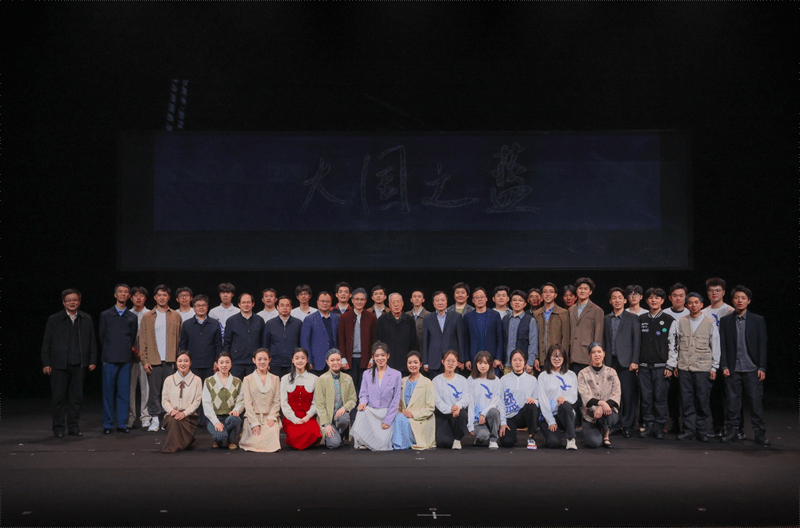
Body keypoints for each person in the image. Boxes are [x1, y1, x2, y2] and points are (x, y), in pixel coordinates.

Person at [41, 288, 97, 437]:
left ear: (79, 301)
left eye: (75, 300)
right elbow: (46, 342)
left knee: (76, 399)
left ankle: (73, 427)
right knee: (58, 398)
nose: (72, 303)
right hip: (59, 366)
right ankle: (59, 428)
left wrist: (92, 360)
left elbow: (92, 341)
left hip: (79, 365)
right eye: (69, 300)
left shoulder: (86, 318)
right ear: (64, 302)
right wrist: (46, 363)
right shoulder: (54, 319)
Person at [720, 286, 769, 446]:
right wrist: (724, 365)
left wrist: (761, 367)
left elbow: (762, 345)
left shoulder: (757, 320)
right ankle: (733, 431)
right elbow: (723, 345)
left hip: (752, 368)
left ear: (748, 301)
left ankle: (759, 433)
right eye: (736, 298)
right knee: (732, 403)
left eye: (743, 298)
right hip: (732, 368)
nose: (739, 301)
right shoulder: (726, 321)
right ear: (732, 300)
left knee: (755, 402)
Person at [670, 293, 720, 442]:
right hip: (684, 367)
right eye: (690, 303)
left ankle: (702, 431)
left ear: (702, 305)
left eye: (696, 302)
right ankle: (689, 430)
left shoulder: (710, 322)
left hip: (703, 368)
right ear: (686, 305)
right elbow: (675, 345)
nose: (693, 305)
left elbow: (715, 346)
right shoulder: (680, 322)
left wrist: (714, 367)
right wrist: (675, 364)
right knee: (686, 401)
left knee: (702, 400)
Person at [139, 285, 182, 432]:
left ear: (169, 297)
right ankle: (155, 419)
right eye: (159, 295)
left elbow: (180, 339)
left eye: (164, 295)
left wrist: (179, 360)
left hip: (171, 360)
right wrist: (144, 361)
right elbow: (142, 340)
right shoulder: (147, 317)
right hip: (154, 360)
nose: (162, 298)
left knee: (169, 392)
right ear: (155, 297)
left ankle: (166, 419)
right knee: (154, 392)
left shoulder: (175, 315)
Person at [638, 287, 677, 439]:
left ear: (663, 300)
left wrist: (670, 365)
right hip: (643, 367)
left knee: (660, 398)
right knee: (646, 398)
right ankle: (648, 425)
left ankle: (660, 427)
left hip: (661, 367)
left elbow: (674, 345)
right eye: (650, 298)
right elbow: (637, 343)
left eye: (657, 298)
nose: (653, 300)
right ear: (646, 300)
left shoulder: (669, 320)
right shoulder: (641, 319)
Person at [99, 284, 139, 434]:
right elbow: (102, 336)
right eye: (120, 292)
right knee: (108, 393)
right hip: (109, 358)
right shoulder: (106, 315)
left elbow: (132, 337)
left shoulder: (132, 317)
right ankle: (108, 424)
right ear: (115, 295)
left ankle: (122, 424)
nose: (123, 294)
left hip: (125, 359)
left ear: (128, 296)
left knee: (123, 393)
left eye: (125, 292)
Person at [603, 287, 641, 438]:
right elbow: (604, 340)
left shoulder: (633, 318)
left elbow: (637, 341)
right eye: (614, 298)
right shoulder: (606, 319)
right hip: (610, 362)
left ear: (625, 300)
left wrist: (635, 360)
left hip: (627, 362)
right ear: (610, 301)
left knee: (628, 396)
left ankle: (628, 426)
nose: (617, 300)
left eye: (620, 297)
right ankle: (615, 424)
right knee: (612, 395)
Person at [178, 294, 222, 426]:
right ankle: (194, 419)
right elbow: (183, 345)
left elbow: (218, 344)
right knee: (193, 393)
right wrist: (185, 363)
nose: (201, 308)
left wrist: (217, 361)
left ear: (207, 307)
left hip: (210, 364)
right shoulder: (187, 324)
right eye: (198, 306)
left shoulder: (214, 323)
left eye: (203, 305)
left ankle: (209, 419)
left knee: (210, 393)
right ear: (193, 308)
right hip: (193, 364)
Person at [351, 342, 402, 451]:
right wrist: (362, 403)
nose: (380, 358)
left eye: (383, 355)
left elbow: (396, 399)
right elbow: (364, 394)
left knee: (382, 445)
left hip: (386, 412)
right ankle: (363, 442)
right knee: (361, 412)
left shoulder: (396, 374)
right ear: (373, 357)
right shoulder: (367, 374)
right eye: (377, 355)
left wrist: (388, 420)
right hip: (372, 412)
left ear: (388, 356)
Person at [578, 343, 621, 448]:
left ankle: (606, 435)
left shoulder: (611, 372)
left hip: (607, 413)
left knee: (607, 413)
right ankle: (595, 432)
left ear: (604, 354)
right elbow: (585, 396)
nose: (596, 355)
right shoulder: (583, 373)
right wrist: (601, 403)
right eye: (593, 352)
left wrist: (603, 406)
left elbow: (616, 394)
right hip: (590, 415)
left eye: (599, 352)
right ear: (590, 355)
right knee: (594, 443)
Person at [240, 348, 282, 453]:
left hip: (269, 417)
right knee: (255, 437)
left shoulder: (275, 379)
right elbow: (247, 403)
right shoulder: (247, 379)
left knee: (271, 434)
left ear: (269, 360)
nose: (262, 362)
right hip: (253, 416)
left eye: (265, 359)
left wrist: (272, 417)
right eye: (259, 359)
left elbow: (277, 401)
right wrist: (254, 423)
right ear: (254, 360)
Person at [537, 344, 578, 450]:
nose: (557, 359)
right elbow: (543, 401)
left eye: (560, 356)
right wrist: (550, 420)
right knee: (553, 443)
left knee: (565, 405)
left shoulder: (571, 375)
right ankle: (551, 436)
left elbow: (574, 396)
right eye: (554, 356)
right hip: (548, 415)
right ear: (549, 358)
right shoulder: (543, 376)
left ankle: (571, 439)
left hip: (564, 414)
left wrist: (565, 398)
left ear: (564, 358)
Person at [392, 352, 436, 450]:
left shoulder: (427, 382)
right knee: (396, 417)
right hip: (403, 417)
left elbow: (430, 408)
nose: (412, 365)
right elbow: (399, 404)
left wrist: (413, 414)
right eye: (410, 362)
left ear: (421, 364)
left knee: (401, 419)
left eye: (415, 362)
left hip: (420, 420)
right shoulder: (403, 381)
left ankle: (403, 444)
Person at [280, 347, 322, 450]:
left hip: (308, 417)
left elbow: (316, 402)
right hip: (291, 418)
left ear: (307, 360)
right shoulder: (285, 379)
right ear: (292, 360)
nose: (300, 361)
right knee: (294, 436)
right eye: (297, 358)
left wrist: (307, 417)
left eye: (303, 358)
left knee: (314, 432)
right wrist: (295, 419)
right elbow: (284, 403)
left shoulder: (315, 379)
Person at [315, 349, 358, 449]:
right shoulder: (321, 379)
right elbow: (319, 405)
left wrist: (344, 408)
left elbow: (353, 399)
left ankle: (340, 433)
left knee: (344, 418)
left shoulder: (348, 378)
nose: (335, 363)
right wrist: (326, 424)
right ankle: (333, 435)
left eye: (338, 360)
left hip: (340, 417)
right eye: (332, 360)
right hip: (327, 419)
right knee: (334, 444)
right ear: (327, 362)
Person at [161, 351, 203, 453]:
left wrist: (184, 413)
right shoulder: (169, 380)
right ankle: (180, 444)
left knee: (178, 421)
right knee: (174, 421)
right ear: (176, 363)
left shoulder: (197, 380)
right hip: (172, 415)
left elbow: (197, 402)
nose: (182, 364)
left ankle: (176, 445)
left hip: (189, 416)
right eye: (180, 361)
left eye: (186, 361)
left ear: (190, 363)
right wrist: (172, 411)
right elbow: (164, 400)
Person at [202, 351, 244, 449]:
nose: (224, 365)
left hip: (230, 417)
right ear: (216, 364)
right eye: (221, 362)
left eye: (227, 362)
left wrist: (236, 410)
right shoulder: (209, 381)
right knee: (220, 436)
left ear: (231, 364)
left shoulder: (237, 381)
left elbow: (241, 400)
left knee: (236, 419)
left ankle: (230, 441)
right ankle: (218, 440)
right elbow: (206, 403)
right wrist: (216, 422)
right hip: (215, 417)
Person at [498, 349, 539, 449]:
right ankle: (511, 436)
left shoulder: (532, 380)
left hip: (524, 415)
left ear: (525, 362)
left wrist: (534, 401)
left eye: (520, 360)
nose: (517, 362)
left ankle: (531, 436)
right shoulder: (503, 380)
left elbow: (538, 400)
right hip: (509, 416)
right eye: (514, 360)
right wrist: (503, 422)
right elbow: (500, 402)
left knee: (531, 406)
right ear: (510, 362)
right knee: (507, 442)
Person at [337, 288, 376, 392]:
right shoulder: (345, 317)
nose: (359, 302)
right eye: (357, 299)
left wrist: (372, 358)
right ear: (352, 300)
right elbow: (341, 339)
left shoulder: (371, 317)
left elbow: (375, 339)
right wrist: (343, 358)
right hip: (349, 360)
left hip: (366, 359)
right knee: (350, 388)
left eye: (362, 299)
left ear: (366, 301)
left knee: (365, 388)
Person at [432, 350, 471, 449]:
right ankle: (450, 437)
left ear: (457, 363)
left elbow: (466, 398)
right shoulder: (436, 380)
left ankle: (457, 439)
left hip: (458, 413)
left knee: (463, 414)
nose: (450, 363)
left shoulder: (462, 380)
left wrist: (457, 406)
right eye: (448, 361)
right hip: (443, 414)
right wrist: (450, 409)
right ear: (443, 362)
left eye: (453, 361)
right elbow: (437, 401)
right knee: (444, 442)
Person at [467, 351, 505, 449]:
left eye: (485, 363)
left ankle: (493, 439)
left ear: (490, 364)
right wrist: (470, 424)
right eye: (480, 363)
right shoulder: (470, 380)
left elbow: (495, 401)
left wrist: (483, 414)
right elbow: (470, 403)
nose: (483, 366)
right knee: (483, 435)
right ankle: (481, 438)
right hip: (477, 420)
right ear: (476, 364)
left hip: (490, 417)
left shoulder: (496, 380)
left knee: (494, 411)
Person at [422, 291, 464, 377]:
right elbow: (425, 341)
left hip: (452, 359)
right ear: (433, 303)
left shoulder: (456, 317)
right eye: (437, 300)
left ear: (447, 301)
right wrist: (425, 362)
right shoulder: (427, 319)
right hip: (434, 360)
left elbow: (460, 339)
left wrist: (462, 360)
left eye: (442, 300)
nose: (440, 303)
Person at [223, 293, 265, 379]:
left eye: (248, 302)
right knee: (236, 386)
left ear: (253, 304)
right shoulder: (231, 321)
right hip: (236, 362)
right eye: (243, 302)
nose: (246, 305)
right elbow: (227, 342)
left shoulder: (259, 320)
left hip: (255, 362)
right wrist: (226, 360)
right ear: (239, 304)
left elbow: (263, 342)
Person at [568, 277, 604, 375]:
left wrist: (596, 355)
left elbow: (598, 335)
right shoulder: (571, 310)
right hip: (572, 354)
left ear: (590, 292)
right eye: (580, 288)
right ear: (576, 291)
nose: (582, 291)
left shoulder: (597, 310)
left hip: (587, 355)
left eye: (585, 289)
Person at [376, 293, 418, 375]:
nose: (396, 304)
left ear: (402, 303)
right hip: (387, 364)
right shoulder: (382, 320)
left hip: (405, 365)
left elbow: (414, 344)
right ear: (389, 305)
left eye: (398, 302)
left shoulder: (409, 321)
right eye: (393, 302)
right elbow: (378, 342)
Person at [463, 288, 504, 375]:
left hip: (492, 359)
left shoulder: (495, 315)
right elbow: (466, 340)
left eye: (482, 297)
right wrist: (467, 359)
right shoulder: (468, 317)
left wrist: (498, 358)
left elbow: (500, 338)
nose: (480, 299)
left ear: (486, 298)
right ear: (473, 300)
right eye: (477, 297)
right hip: (474, 358)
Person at [127, 286, 151, 429]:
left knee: (145, 387)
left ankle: (145, 416)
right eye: (135, 295)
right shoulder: (127, 314)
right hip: (130, 356)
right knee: (130, 388)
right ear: (131, 298)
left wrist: (143, 352)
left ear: (145, 298)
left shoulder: (150, 314)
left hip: (146, 356)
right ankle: (131, 416)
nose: (138, 298)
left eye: (141, 295)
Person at [263, 296, 303, 378]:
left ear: (291, 307)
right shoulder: (270, 323)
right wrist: (267, 362)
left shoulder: (298, 323)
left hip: (293, 363)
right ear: (277, 307)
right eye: (282, 305)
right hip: (275, 363)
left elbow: (301, 343)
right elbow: (265, 345)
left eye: (287, 305)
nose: (285, 308)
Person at [533, 282, 570, 373]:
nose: (548, 294)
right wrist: (536, 357)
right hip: (541, 358)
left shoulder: (563, 313)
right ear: (541, 295)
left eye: (551, 292)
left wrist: (562, 357)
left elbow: (565, 338)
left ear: (555, 295)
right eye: (545, 292)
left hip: (557, 359)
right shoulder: (536, 314)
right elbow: (534, 337)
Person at [300, 291, 339, 374]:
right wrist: (308, 361)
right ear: (317, 302)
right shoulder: (309, 319)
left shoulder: (336, 318)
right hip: (316, 362)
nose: (325, 303)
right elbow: (305, 342)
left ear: (331, 303)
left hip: (334, 361)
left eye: (327, 301)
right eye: (322, 301)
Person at [502, 290, 538, 375]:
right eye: (514, 300)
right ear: (510, 303)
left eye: (520, 300)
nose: (517, 302)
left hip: (524, 365)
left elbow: (533, 343)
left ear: (525, 304)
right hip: (507, 365)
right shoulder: (505, 319)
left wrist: (530, 363)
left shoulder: (530, 320)